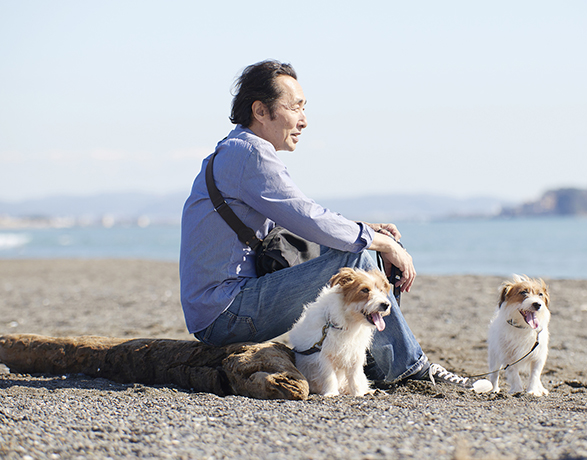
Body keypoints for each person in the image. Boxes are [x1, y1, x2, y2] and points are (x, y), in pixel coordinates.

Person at [179, 60, 466, 386]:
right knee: (352, 255)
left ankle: (373, 359)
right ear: (260, 110)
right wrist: (381, 243)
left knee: (355, 244)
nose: (303, 120)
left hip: (216, 311)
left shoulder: (232, 152)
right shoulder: (251, 155)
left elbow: (301, 221)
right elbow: (309, 218)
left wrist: (369, 230)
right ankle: (408, 367)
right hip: (227, 314)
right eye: (295, 108)